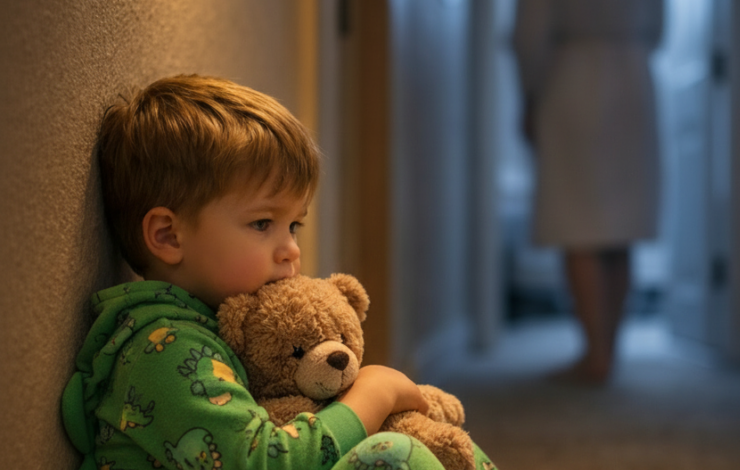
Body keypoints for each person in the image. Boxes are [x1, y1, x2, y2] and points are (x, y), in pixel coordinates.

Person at [61, 75, 495, 470]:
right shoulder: (163, 349)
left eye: (294, 225)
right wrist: (373, 393)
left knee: (432, 439)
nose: (290, 249)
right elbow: (265, 463)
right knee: (394, 456)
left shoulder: (217, 330)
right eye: (262, 223)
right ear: (168, 236)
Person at [513, 0, 664, 383]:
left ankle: (596, 354)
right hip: (633, 76)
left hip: (572, 80)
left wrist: (529, 95)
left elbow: (530, 34)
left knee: (578, 220)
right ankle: (608, 350)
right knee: (620, 226)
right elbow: (659, 27)